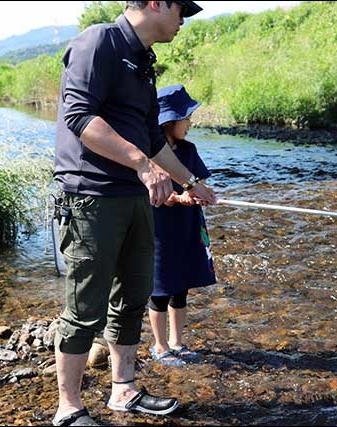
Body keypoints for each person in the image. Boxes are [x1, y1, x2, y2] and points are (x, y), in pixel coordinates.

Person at [52, 1, 210, 426]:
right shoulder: (98, 41)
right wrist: (143, 166)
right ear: (156, 3)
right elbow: (79, 117)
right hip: (91, 198)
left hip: (137, 199)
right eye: (182, 9)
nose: (184, 19)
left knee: (133, 298)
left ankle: (123, 390)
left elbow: (152, 139)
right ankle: (68, 409)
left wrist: (190, 182)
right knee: (85, 309)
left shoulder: (144, 61)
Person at [147, 84, 216, 367]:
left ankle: (177, 342)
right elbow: (148, 193)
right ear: (169, 121)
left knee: (182, 287)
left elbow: (199, 181)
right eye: (186, 118)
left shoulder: (189, 149)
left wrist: (204, 194)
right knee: (160, 289)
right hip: (160, 231)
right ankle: (160, 345)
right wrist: (176, 198)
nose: (190, 123)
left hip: (187, 228)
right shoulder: (149, 153)